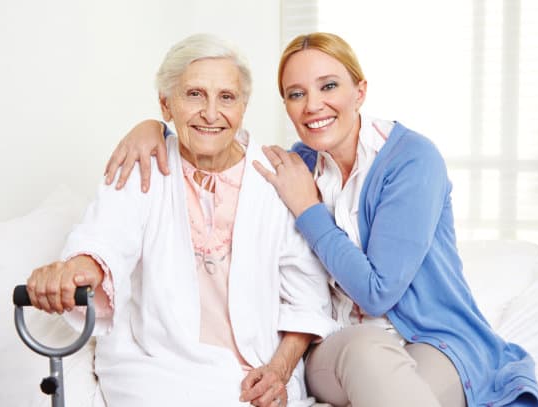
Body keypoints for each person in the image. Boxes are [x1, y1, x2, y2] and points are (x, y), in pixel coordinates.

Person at [103, 32, 538, 407]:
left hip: (436, 341)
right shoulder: (295, 164)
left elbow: (377, 293)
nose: (313, 105)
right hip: (341, 348)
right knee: (368, 353)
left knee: (395, 387)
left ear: (360, 91)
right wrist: (150, 128)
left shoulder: (412, 159)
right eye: (296, 94)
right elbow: (210, 138)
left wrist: (309, 210)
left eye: (328, 86)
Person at [26, 33, 339, 407]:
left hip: (255, 374)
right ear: (165, 105)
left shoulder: (276, 177)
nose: (210, 113)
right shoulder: (143, 163)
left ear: (243, 106)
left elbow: (306, 295)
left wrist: (279, 371)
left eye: (226, 97)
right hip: (156, 369)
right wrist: (72, 270)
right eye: (194, 94)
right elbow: (105, 239)